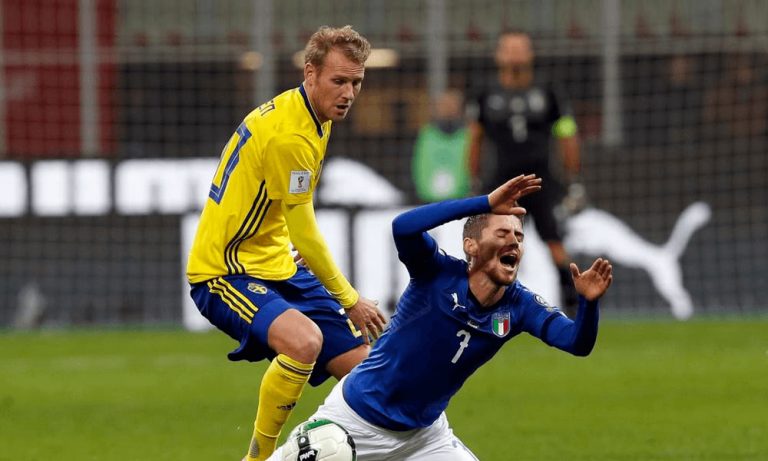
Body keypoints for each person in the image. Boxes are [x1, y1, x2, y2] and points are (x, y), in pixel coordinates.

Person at [268, 174, 613, 460]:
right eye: (503, 233)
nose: (514, 243)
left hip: (424, 438)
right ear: (471, 246)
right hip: (355, 419)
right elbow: (404, 227)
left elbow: (576, 343)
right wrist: (483, 203)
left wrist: (588, 305)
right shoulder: (435, 273)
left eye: (519, 237)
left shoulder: (520, 306)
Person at [185, 25, 387, 461]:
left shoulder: (313, 115)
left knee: (369, 377)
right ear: (310, 73)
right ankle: (259, 458)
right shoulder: (291, 135)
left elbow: (282, 212)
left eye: (356, 82)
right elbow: (304, 228)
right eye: (339, 81)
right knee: (304, 342)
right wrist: (349, 298)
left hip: (275, 261)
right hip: (225, 271)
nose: (349, 92)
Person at [467, 30, 583, 316]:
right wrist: (474, 179)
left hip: (542, 182)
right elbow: (475, 138)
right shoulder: (485, 94)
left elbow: (567, 133)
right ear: (498, 55)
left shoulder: (549, 90)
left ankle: (575, 307)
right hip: (501, 184)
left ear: (530, 54)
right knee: (492, 244)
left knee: (554, 242)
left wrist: (573, 180)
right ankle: (483, 306)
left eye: (521, 48)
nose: (515, 53)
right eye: (509, 48)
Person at [411, 89, 471, 202]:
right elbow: (418, 166)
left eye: (452, 105)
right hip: (428, 201)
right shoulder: (426, 135)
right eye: (444, 105)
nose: (448, 109)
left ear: (460, 108)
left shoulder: (469, 135)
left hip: (461, 201)